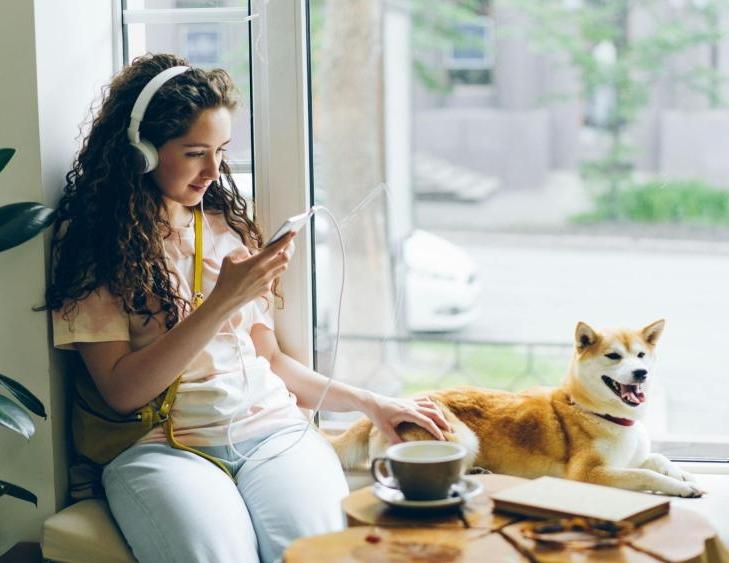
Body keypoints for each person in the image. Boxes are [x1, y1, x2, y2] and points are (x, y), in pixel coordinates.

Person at [45, 53, 450, 563]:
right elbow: (122, 392)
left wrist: (373, 404)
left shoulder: (225, 227)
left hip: (270, 431)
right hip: (159, 446)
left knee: (312, 554)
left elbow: (272, 363)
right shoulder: (94, 245)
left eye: (221, 150)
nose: (214, 171)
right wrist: (221, 302)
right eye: (195, 153)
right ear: (139, 153)